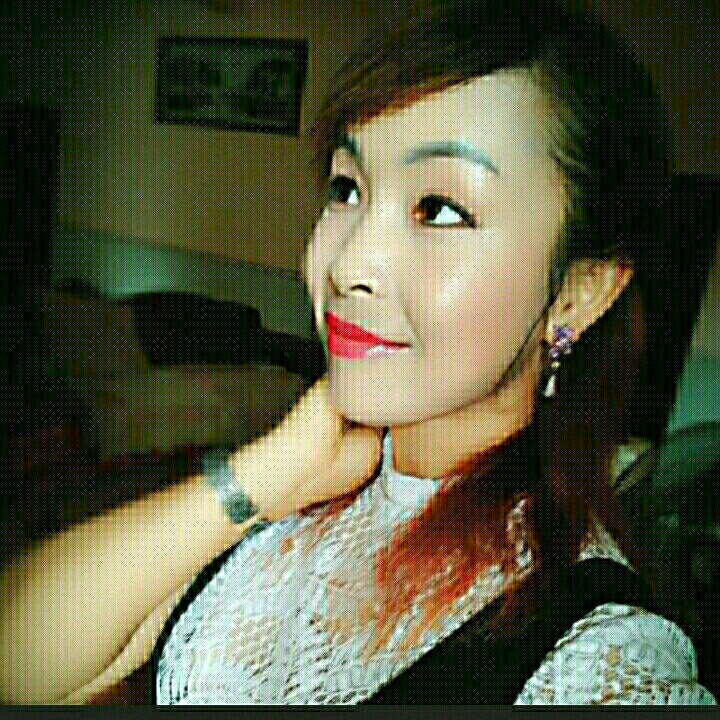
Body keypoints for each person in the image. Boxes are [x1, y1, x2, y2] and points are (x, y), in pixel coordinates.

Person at [0, 0, 715, 705]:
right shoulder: (299, 496)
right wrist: (268, 472)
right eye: (347, 189)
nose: (347, 265)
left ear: (579, 293)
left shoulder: (600, 653)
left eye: (439, 209)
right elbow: (20, 666)